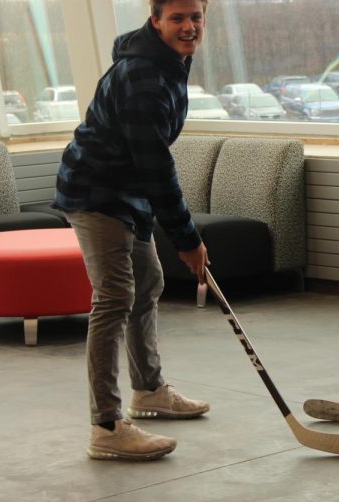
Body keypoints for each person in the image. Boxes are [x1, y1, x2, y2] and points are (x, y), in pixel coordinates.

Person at [54, 0, 211, 461]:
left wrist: (178, 234)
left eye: (196, 17)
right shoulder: (142, 77)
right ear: (156, 20)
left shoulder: (169, 63)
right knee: (115, 297)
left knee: (148, 282)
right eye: (178, 18)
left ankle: (149, 390)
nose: (188, 27)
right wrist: (188, 238)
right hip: (97, 193)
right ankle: (106, 426)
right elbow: (156, 166)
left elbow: (149, 163)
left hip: (127, 191)